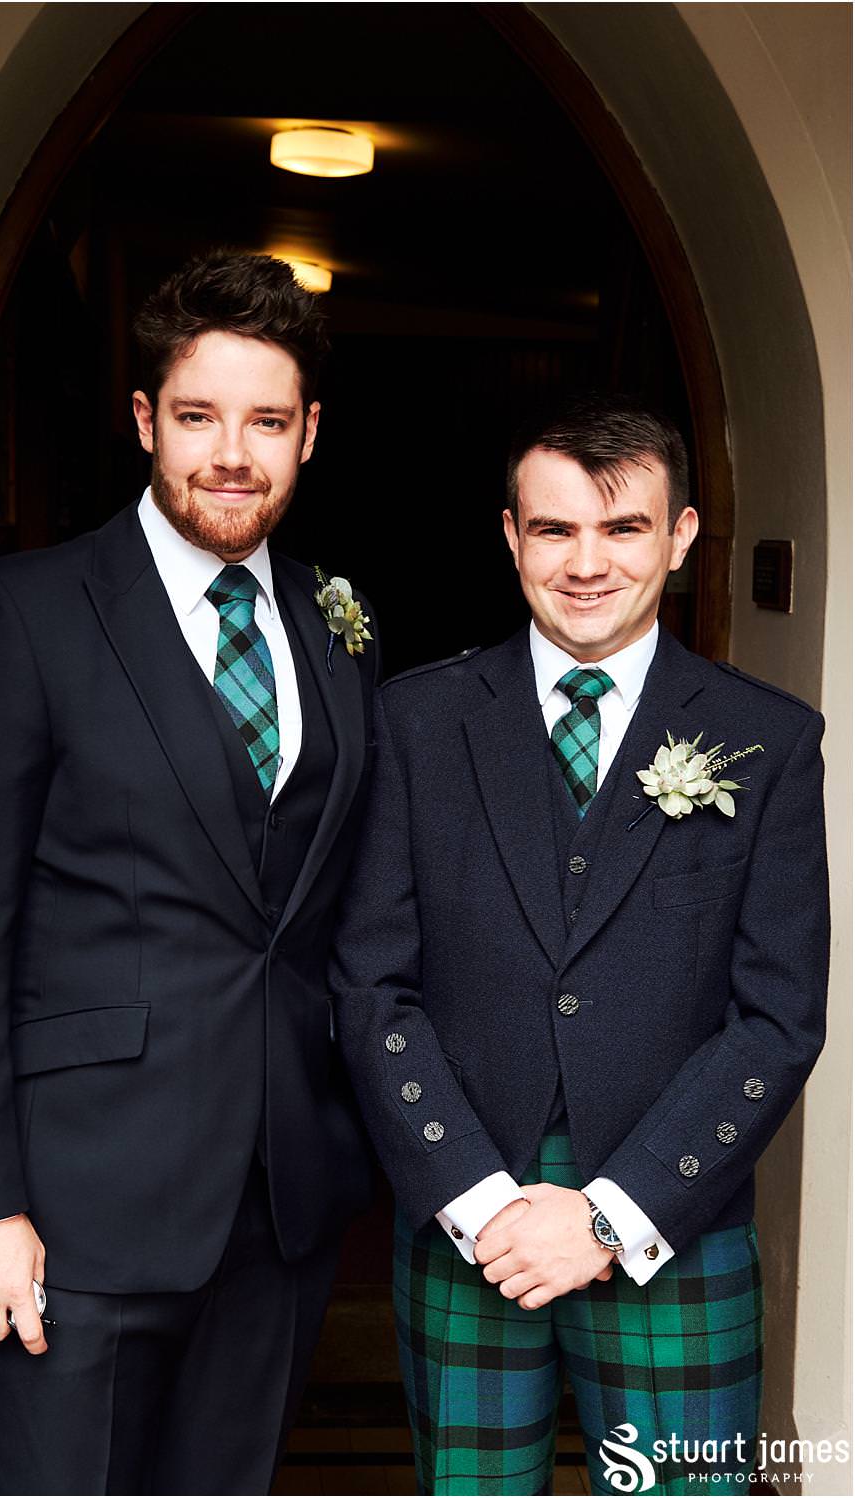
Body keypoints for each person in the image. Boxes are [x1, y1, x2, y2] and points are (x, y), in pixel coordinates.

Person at [0, 251, 378, 1496]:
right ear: (147, 419)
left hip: (279, 1209)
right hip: (75, 1208)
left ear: (308, 434)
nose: (231, 452)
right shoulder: (25, 616)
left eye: (266, 420)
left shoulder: (334, 621)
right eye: (199, 415)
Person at [330, 395, 828, 1495]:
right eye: (554, 530)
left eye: (623, 528)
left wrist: (613, 1213)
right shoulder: (415, 723)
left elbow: (779, 1017)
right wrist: (478, 1196)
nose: (586, 563)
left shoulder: (770, 739)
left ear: (683, 535)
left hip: (672, 1215)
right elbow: (371, 985)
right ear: (510, 536)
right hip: (473, 1216)